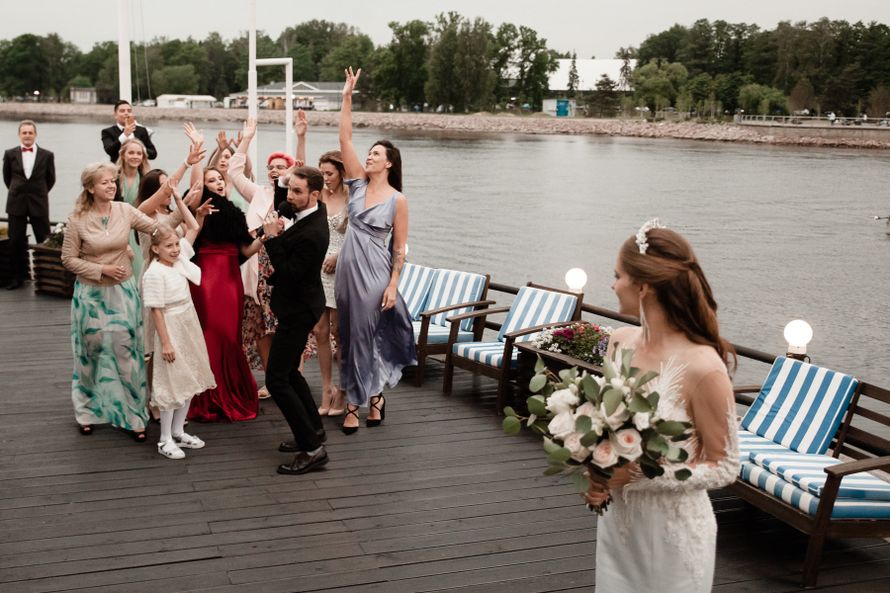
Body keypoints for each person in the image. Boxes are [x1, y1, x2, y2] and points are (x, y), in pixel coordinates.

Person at [583, 220, 740, 593]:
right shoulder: (618, 342)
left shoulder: (703, 366)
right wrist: (595, 469)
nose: (612, 284)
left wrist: (639, 476)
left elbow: (726, 466)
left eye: (617, 275)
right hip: (619, 528)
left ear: (644, 286)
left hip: (673, 537)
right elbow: (605, 427)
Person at [336, 67, 416, 434]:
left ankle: (355, 402)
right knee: (348, 336)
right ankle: (375, 396)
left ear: (389, 163)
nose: (368, 157)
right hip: (346, 272)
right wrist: (347, 97)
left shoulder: (398, 200)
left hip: (374, 273)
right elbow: (345, 139)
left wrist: (393, 284)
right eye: (369, 153)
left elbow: (399, 248)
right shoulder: (355, 187)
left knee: (364, 336)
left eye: (376, 153)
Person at [60, 162, 158, 440]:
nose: (111, 185)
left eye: (113, 181)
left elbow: (157, 228)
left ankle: (133, 416)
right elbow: (68, 259)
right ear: (91, 188)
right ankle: (87, 412)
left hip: (122, 295)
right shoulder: (77, 219)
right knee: (89, 353)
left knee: (126, 352)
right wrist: (100, 270)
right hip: (90, 295)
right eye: (104, 182)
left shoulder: (125, 211)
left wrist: (189, 216)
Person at [227, 115, 306, 399]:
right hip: (256, 268)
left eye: (280, 167)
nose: (275, 170)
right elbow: (234, 173)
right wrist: (246, 139)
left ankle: (292, 377)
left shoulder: (297, 198)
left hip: (285, 269)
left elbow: (303, 168)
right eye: (271, 167)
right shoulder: (258, 193)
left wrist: (300, 138)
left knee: (286, 325)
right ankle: (272, 380)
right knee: (260, 324)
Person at [261, 166, 330, 475]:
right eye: (290, 189)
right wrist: (282, 182)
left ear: (314, 195)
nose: (290, 197)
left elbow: (288, 273)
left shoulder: (315, 233)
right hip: (300, 303)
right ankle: (313, 431)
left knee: (276, 379)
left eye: (297, 191)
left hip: (299, 309)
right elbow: (283, 202)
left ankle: (313, 450)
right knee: (290, 372)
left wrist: (272, 239)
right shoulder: (307, 208)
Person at [187, 167, 267, 422]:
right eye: (212, 180)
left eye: (220, 179)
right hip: (206, 275)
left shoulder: (234, 213)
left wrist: (266, 236)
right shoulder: (197, 207)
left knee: (230, 335)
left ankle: (230, 391)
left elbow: (245, 250)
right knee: (211, 331)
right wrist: (197, 161)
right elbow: (194, 191)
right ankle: (207, 395)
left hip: (230, 277)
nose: (218, 183)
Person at [143, 222, 216, 460]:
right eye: (168, 246)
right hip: (170, 328)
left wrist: (179, 198)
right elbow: (156, 311)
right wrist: (165, 343)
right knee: (171, 383)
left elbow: (194, 227)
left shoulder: (178, 263)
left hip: (187, 323)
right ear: (155, 248)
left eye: (176, 244)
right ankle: (164, 438)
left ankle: (178, 430)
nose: (175, 250)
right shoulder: (154, 273)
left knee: (189, 378)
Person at [312, 150, 348, 415]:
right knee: (319, 331)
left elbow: (361, 236)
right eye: (322, 173)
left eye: (330, 173)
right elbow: (298, 175)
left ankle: (344, 392)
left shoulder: (353, 197)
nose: (325, 178)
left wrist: (339, 255)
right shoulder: (319, 196)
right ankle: (327, 388)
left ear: (341, 172)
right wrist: (301, 138)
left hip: (342, 267)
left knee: (339, 333)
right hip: (317, 269)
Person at [2, 119, 55, 289]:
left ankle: (48, 279)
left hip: (38, 202)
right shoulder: (10, 154)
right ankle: (18, 278)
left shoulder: (47, 155)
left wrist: (38, 192)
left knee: (44, 239)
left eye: (30, 132)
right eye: (24, 132)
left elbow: (51, 179)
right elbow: (7, 178)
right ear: (19, 135)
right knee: (15, 241)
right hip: (16, 202)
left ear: (35, 135)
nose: (27, 136)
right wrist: (18, 190)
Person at [115, 138, 151, 278]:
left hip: (139, 230)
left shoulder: (146, 179)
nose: (135, 156)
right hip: (117, 228)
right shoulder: (114, 177)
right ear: (123, 155)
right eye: (131, 153)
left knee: (138, 269)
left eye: (139, 153)